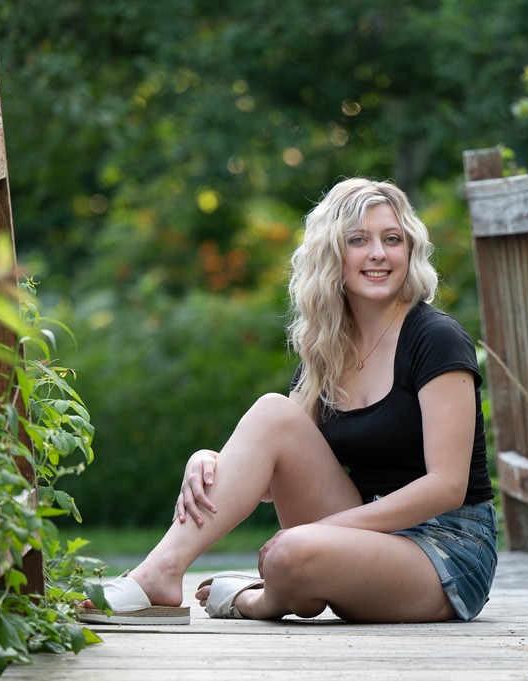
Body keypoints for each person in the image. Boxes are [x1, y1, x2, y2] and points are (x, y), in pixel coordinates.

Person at [77, 177, 497, 625]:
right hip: (359, 531)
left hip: (445, 549)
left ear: (409, 251)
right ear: (332, 255)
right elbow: (266, 473)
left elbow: (447, 487)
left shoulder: (436, 338)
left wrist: (322, 532)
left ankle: (255, 600)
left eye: (392, 239)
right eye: (358, 240)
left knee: (293, 551)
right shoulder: (327, 351)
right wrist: (208, 460)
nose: (378, 253)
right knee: (273, 412)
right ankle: (159, 575)